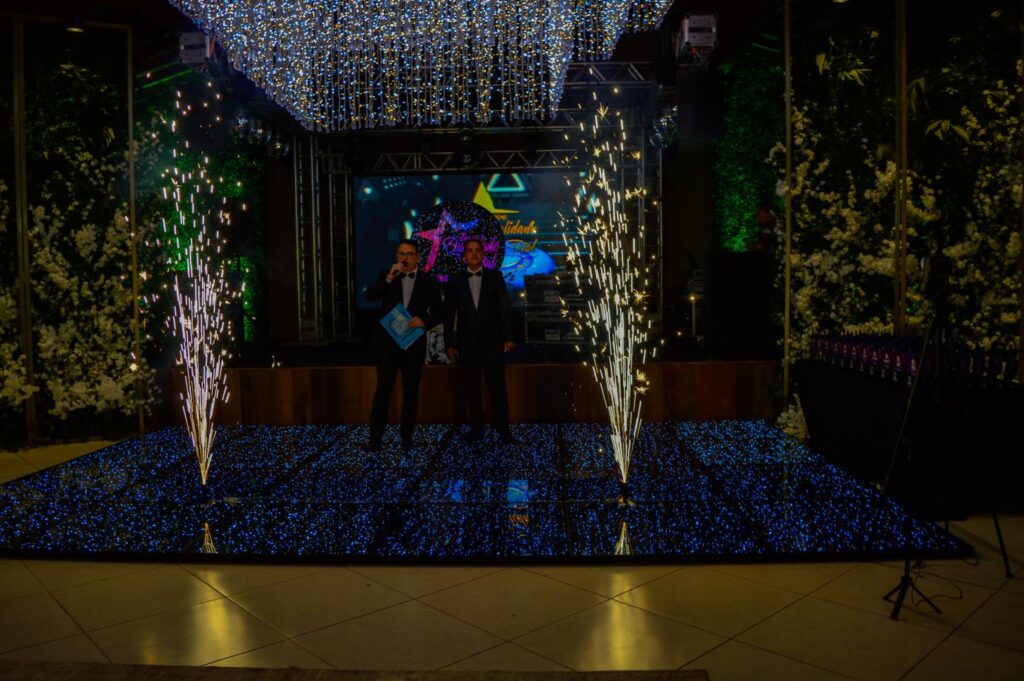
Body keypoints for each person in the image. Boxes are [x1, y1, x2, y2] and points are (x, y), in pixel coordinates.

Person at [364, 238, 443, 451]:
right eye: (401, 254)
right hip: (388, 345)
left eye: (408, 254)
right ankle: (375, 439)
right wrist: (389, 277)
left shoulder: (428, 281)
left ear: (417, 258)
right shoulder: (388, 275)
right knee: (383, 391)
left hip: (413, 344)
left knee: (411, 392)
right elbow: (369, 295)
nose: (404, 258)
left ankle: (407, 439)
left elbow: (440, 311)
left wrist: (424, 320)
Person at [444, 238, 516, 442]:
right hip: (467, 345)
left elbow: (505, 308)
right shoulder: (455, 280)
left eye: (477, 250)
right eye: (470, 250)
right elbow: (449, 314)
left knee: (497, 388)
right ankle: (477, 429)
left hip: (492, 342)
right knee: (472, 389)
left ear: (483, 254)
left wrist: (510, 336)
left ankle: (503, 428)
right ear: (464, 255)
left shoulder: (495, 276)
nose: (474, 254)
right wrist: (449, 343)